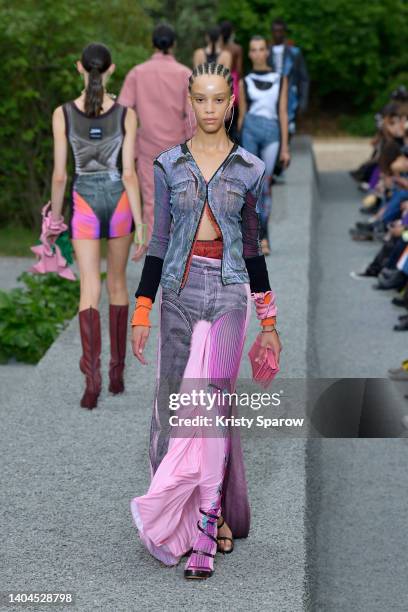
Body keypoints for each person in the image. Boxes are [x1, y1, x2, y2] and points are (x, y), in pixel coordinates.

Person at [129, 62, 282, 580]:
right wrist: (142, 309)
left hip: (228, 292)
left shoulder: (250, 168)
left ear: (232, 102)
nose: (210, 109)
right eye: (201, 100)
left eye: (219, 100)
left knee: (211, 406)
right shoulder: (168, 163)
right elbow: (157, 242)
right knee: (174, 409)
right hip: (177, 289)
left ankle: (207, 525)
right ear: (188, 103)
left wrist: (269, 319)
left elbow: (254, 248)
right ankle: (191, 511)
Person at [49, 42, 144, 410]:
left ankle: (93, 382)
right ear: (111, 70)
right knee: (118, 284)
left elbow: (60, 175)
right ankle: (118, 373)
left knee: (90, 286)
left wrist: (56, 217)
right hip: (119, 200)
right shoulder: (126, 114)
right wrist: (140, 224)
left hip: (84, 202)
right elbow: (130, 173)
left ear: (78, 68)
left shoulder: (63, 114)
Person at [118, 24, 193, 254]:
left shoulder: (137, 73)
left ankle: (155, 255)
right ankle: (179, 256)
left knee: (151, 202)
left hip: (148, 147)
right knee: (181, 202)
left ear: (152, 44)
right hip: (179, 149)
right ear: (173, 45)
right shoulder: (184, 73)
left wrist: (131, 144)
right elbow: (192, 116)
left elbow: (122, 111)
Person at [238, 36, 290, 255]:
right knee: (253, 186)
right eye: (254, 49)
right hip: (250, 129)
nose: (258, 53)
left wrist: (285, 147)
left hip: (271, 132)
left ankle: (263, 236)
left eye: (261, 49)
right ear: (249, 54)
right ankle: (258, 237)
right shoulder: (244, 81)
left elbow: (283, 112)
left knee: (265, 185)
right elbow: (241, 116)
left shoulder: (280, 79)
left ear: (267, 52)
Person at [267, 18, 309, 136]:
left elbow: (304, 79)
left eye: (280, 31)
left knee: (289, 129)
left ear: (284, 32)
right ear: (272, 32)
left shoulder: (294, 53)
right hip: (271, 97)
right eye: (275, 31)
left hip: (291, 97)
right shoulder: (265, 52)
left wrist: (303, 102)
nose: (278, 34)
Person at [219, 20, 243, 140]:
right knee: (233, 124)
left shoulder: (217, 48)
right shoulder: (237, 49)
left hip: (218, 83)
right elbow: (238, 70)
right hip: (232, 84)